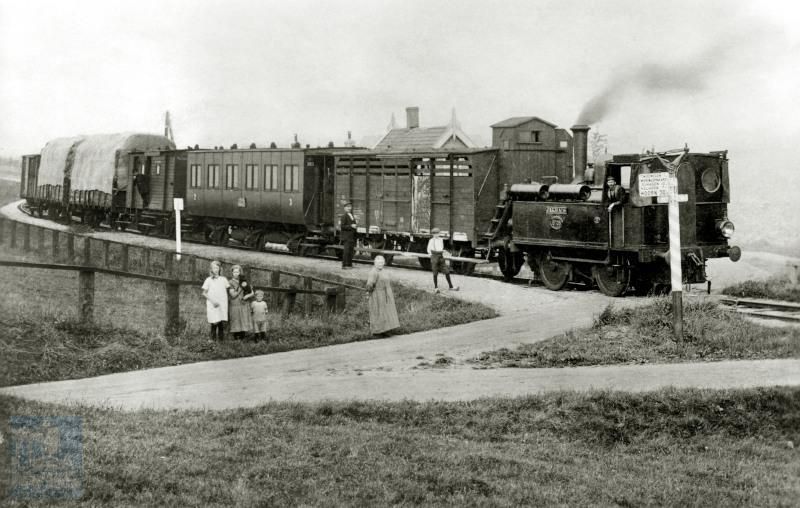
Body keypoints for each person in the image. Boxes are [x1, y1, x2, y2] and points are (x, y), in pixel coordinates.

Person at [365, 255, 400, 336]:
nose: (380, 264)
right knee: (379, 312)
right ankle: (378, 331)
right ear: (375, 263)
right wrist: (368, 292)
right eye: (378, 263)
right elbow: (370, 284)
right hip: (378, 295)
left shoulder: (384, 271)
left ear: (384, 263)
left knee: (387, 312)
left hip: (387, 294)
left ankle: (386, 329)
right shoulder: (373, 272)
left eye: (382, 262)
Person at [201, 260, 229, 340]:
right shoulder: (208, 280)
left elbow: (226, 291)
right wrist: (213, 301)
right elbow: (204, 293)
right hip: (212, 304)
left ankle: (221, 341)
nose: (216, 270)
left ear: (220, 269)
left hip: (221, 304)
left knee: (220, 322)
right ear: (211, 269)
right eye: (214, 268)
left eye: (217, 268)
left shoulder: (223, 279)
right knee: (214, 322)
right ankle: (212, 340)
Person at [426, 228, 459, 293]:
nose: (436, 235)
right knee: (435, 273)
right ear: (433, 234)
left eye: (438, 233)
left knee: (447, 271)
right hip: (434, 256)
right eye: (435, 234)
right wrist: (431, 256)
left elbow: (441, 247)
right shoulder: (431, 240)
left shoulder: (441, 240)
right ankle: (436, 288)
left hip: (440, 256)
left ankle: (451, 286)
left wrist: (442, 252)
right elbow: (428, 249)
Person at [228, 264, 254, 340]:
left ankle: (242, 339)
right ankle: (236, 339)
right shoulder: (230, 282)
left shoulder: (244, 281)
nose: (236, 274)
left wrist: (247, 296)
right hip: (235, 304)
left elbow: (252, 292)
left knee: (243, 320)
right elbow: (233, 295)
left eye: (238, 272)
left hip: (244, 304)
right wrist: (240, 287)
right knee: (236, 321)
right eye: (234, 272)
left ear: (240, 272)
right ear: (232, 273)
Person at [339, 202, 357, 269]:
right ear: (344, 208)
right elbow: (342, 226)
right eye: (347, 207)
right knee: (346, 251)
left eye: (350, 207)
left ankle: (349, 264)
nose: (349, 208)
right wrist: (351, 226)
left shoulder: (351, 215)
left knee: (351, 251)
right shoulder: (344, 216)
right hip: (346, 236)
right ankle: (344, 265)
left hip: (351, 236)